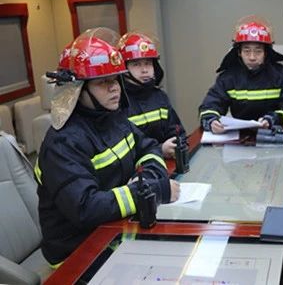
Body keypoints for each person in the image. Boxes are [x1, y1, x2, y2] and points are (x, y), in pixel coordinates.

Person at [34, 28, 180, 266]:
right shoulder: (61, 144)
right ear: (77, 90)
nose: (115, 88)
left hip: (117, 230)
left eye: (115, 79)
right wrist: (152, 191)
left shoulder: (114, 118)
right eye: (103, 82)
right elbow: (85, 207)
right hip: (78, 255)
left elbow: (150, 148)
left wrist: (147, 180)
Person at [199, 16, 283, 134]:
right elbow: (210, 105)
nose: (252, 57)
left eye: (258, 51)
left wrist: (273, 119)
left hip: (273, 134)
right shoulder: (228, 77)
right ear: (239, 52)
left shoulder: (282, 75)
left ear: (266, 53)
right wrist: (211, 121)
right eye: (247, 51)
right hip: (239, 138)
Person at [117, 32, 184, 159]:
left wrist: (177, 144)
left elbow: (177, 131)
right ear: (124, 69)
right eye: (136, 64)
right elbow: (125, 153)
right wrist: (160, 150)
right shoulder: (118, 102)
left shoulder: (160, 97)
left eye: (148, 63)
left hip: (167, 164)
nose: (144, 70)